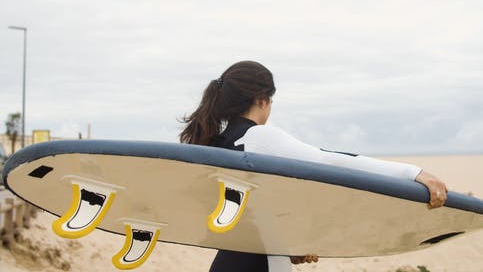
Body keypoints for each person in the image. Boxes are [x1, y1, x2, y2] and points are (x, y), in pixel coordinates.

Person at [180, 60, 447, 272]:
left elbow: (246, 222)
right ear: (262, 98)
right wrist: (412, 173)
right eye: (272, 101)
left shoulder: (216, 145)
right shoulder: (258, 137)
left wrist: (284, 248)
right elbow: (329, 161)